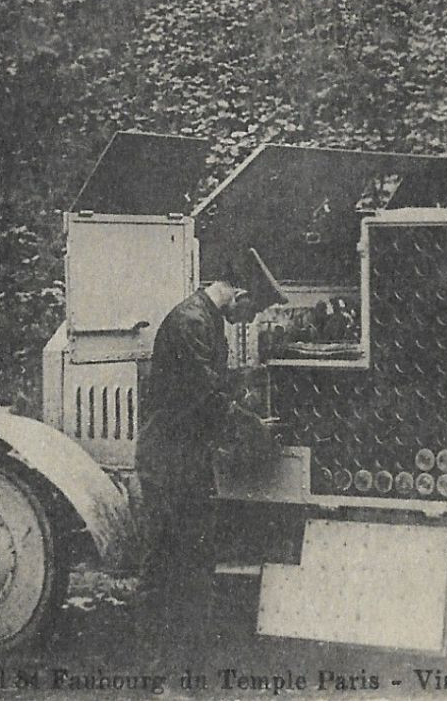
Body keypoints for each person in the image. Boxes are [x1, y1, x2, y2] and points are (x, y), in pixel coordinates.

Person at [133, 246, 287, 646]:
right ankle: (151, 662)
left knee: (196, 557)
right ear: (239, 297)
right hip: (167, 460)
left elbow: (212, 387)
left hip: (188, 458)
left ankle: (187, 651)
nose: (248, 321)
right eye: (250, 313)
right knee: (166, 560)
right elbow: (206, 397)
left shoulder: (206, 320)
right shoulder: (190, 323)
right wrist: (253, 427)